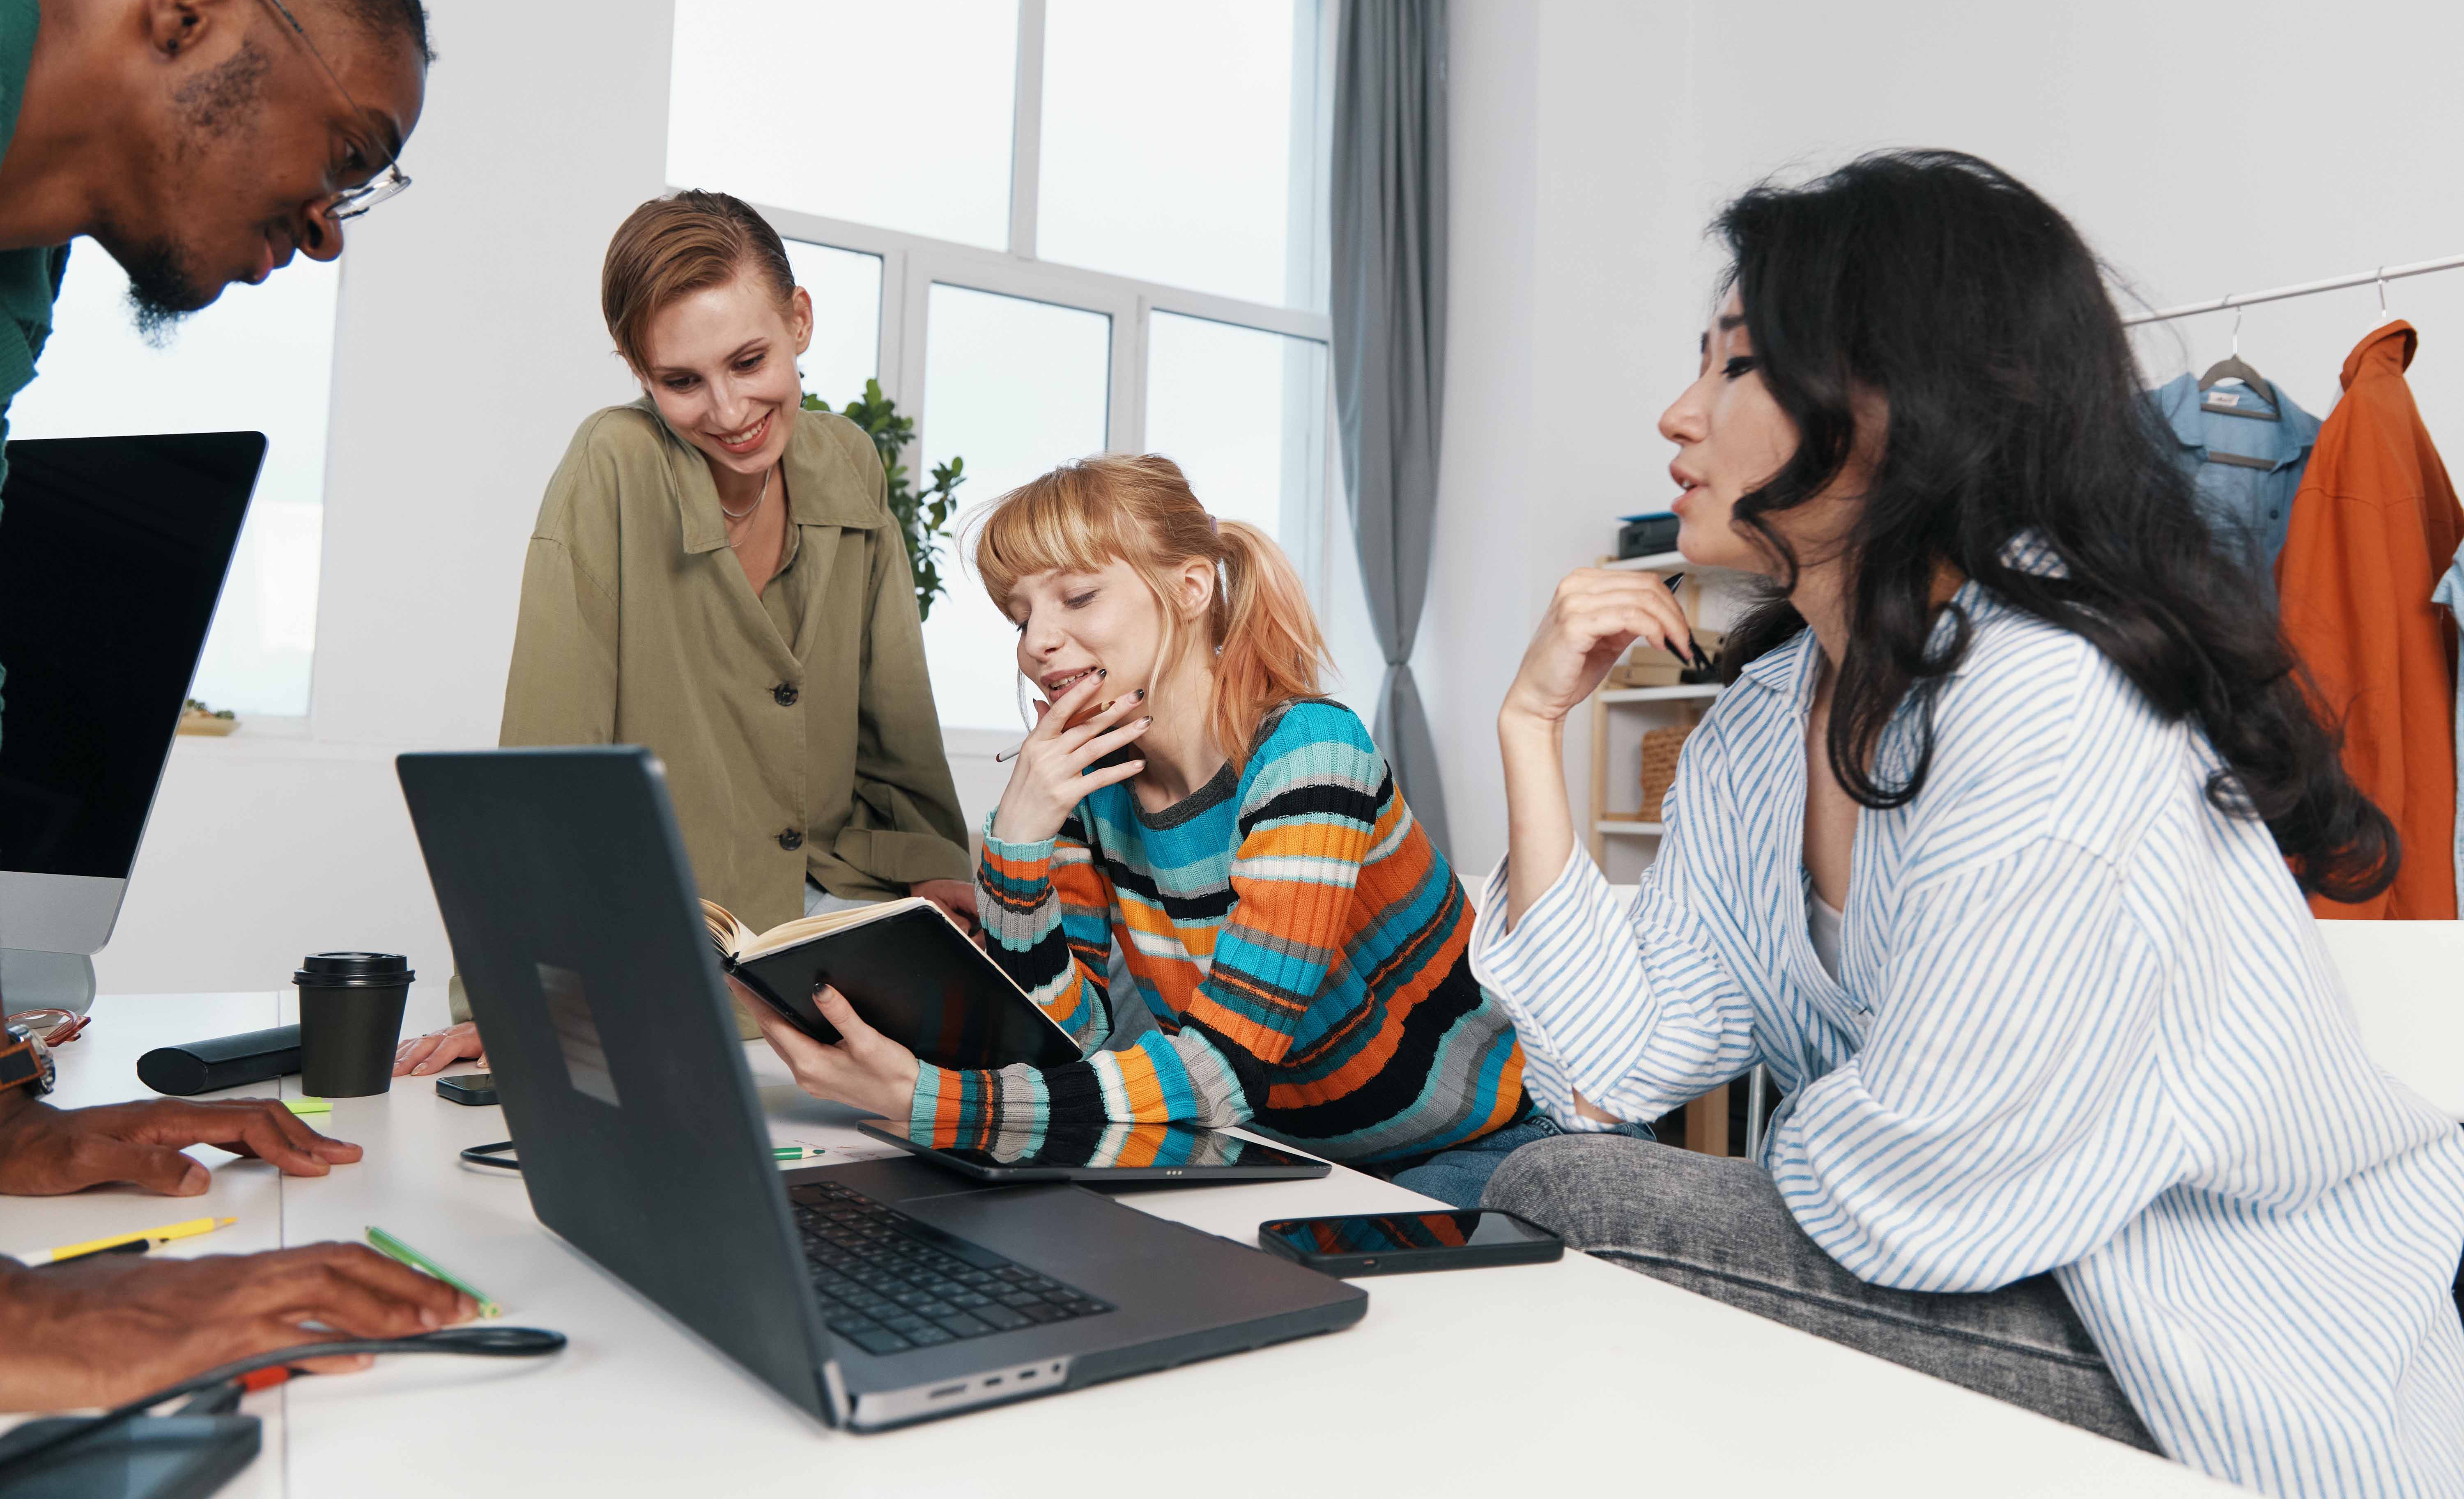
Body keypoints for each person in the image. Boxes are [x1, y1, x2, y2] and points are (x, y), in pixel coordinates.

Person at [1470, 150, 2464, 1495]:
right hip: (2008, 1270)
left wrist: (1792, 1150)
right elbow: (1609, 1071)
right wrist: (1530, 734)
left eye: (1737, 367)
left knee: (1563, 1204)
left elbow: (1933, 1187)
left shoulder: (2053, 688)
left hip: (2216, 1345)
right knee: (1570, 1191)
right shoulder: (1770, 716)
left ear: (1891, 407)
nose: (1678, 415)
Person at [0, 0, 471, 1409]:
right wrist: (25, 1324)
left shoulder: (22, 284)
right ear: (191, 1)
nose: (332, 231)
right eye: (351, 150)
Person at [740, 454, 1568, 1207]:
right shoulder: (1093, 790)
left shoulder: (1309, 754)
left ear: (1192, 588)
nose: (1038, 642)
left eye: (1077, 595)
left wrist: (927, 1099)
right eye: (1020, 615)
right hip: (1294, 1156)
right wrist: (1020, 840)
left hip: (1483, 1151)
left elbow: (1221, 1071)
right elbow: (1068, 1041)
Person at [393, 191, 975, 1076]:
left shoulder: (850, 459)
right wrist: (511, 1001)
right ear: (637, 370)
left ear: (800, 320)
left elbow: (895, 706)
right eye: (682, 380)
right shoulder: (614, 465)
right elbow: (549, 751)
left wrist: (937, 866)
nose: (730, 408)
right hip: (673, 939)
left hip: (836, 915)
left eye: (750, 359)